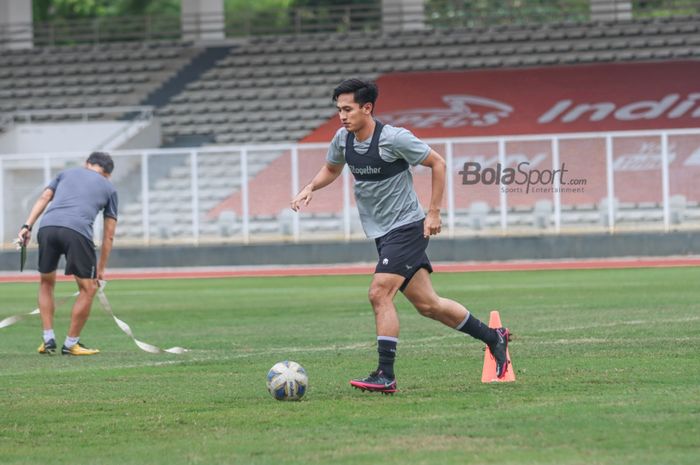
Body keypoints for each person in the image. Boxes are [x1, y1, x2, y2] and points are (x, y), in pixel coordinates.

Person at [291, 78, 510, 393]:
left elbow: (438, 163)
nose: (342, 115)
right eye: (339, 109)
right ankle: (494, 337)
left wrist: (433, 212)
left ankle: (385, 374)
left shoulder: (394, 139)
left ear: (367, 108)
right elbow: (332, 168)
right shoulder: (343, 139)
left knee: (379, 293)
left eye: (348, 109)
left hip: (407, 227)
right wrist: (310, 187)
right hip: (383, 234)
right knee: (428, 304)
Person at [17, 152, 118, 356]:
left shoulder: (66, 174)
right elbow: (109, 235)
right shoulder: (110, 188)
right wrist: (101, 269)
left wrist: (27, 226)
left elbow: (45, 197)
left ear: (87, 164)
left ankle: (47, 339)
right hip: (77, 232)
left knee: (46, 282)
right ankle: (71, 343)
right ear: (108, 174)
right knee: (87, 289)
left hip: (47, 227)